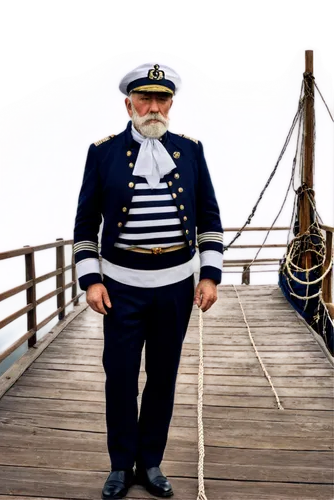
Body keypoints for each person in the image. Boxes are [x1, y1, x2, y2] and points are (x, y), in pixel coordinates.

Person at [73, 62, 224, 499]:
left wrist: (209, 276)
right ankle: (121, 465)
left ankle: (151, 462)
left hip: (176, 287)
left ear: (171, 105)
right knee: (119, 376)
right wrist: (91, 281)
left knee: (163, 376)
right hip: (120, 288)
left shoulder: (191, 150)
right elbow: (85, 225)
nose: (153, 107)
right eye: (145, 98)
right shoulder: (102, 152)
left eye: (162, 100)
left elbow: (209, 220)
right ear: (129, 103)